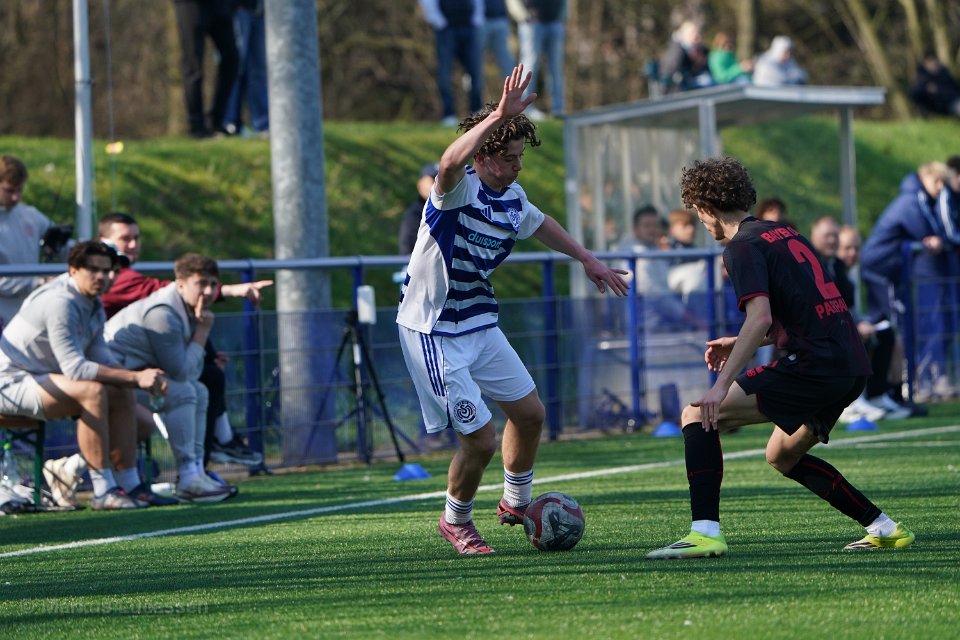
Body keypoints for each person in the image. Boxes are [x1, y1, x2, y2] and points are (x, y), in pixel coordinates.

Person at [397, 65, 629, 555]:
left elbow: (540, 222)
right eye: (508, 158)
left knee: (529, 414)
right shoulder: (457, 190)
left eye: (521, 156)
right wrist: (498, 116)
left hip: (478, 320)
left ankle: (516, 502)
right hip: (433, 331)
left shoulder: (512, 197)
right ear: (482, 156)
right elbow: (448, 161)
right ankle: (455, 521)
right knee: (480, 440)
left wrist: (587, 259)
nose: (518, 166)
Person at [646, 156, 914, 559]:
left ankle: (704, 532)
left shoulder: (741, 247)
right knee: (782, 455)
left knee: (696, 415)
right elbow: (806, 312)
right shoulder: (785, 234)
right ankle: (884, 528)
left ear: (706, 207)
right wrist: (741, 341)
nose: (700, 221)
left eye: (697, 211)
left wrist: (720, 386)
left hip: (815, 365)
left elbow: (760, 316)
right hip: (850, 364)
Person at [0, 241, 169, 510]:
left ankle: (130, 484)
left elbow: (102, 357)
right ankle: (103, 491)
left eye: (108, 270)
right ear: (73, 270)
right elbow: (76, 369)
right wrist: (137, 378)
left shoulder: (92, 302)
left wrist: (138, 377)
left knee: (141, 417)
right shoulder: (61, 302)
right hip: (10, 382)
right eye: (93, 269)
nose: (102, 276)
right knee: (93, 391)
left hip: (43, 378)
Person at [97, 212, 269, 469]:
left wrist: (204, 349)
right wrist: (209, 323)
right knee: (190, 389)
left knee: (200, 384)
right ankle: (195, 465)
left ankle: (198, 467)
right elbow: (182, 371)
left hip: (129, 368)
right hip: (110, 375)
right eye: (125, 239)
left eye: (136, 238)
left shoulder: (161, 297)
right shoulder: (139, 291)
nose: (133, 245)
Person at [105, 254, 233, 503]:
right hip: (110, 383)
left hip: (131, 379)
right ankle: (188, 477)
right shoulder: (162, 313)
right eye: (201, 283)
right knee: (184, 391)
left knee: (199, 390)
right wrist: (202, 331)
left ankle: (195, 471)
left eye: (213, 284)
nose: (208, 291)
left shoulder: (186, 307)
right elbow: (182, 371)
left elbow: (189, 371)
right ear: (181, 284)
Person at [860, 162, 952, 401]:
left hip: (883, 269)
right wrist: (938, 239)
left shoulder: (918, 199)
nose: (940, 187)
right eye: (937, 181)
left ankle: (886, 389)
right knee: (895, 325)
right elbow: (925, 231)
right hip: (881, 269)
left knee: (885, 327)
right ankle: (898, 385)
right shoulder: (911, 201)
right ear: (926, 177)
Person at [614, 206, 699, 330]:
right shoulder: (635, 254)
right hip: (644, 327)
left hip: (657, 324)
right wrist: (690, 318)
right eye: (647, 225)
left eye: (655, 225)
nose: (652, 229)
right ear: (635, 229)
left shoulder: (652, 250)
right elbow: (656, 296)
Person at [0, 155, 53, 332]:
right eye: (9, 190)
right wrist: (35, 282)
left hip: (28, 315)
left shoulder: (30, 215)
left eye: (20, 190)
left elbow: (64, 245)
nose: (16, 197)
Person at [172, 0, 240, 138]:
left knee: (232, 59)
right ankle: (197, 126)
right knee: (193, 66)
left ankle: (216, 121)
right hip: (189, 5)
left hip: (218, 4)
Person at [418, 0, 484, 127]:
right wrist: (440, 22)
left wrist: (476, 20)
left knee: (475, 71)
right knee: (445, 74)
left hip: (469, 27)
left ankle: (477, 111)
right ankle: (448, 114)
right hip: (446, 30)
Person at [222, 0, 269, 137]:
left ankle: (263, 124)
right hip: (238, 9)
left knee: (258, 71)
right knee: (235, 67)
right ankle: (230, 122)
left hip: (261, 11)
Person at [520, 0, 567, 117]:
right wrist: (523, 15)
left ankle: (558, 109)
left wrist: (563, 16)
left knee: (556, 67)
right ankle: (524, 108)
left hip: (554, 21)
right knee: (530, 65)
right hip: (531, 23)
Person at [658, 21, 713, 93]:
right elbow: (672, 69)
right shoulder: (676, 49)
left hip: (693, 80)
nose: (697, 36)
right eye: (694, 33)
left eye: (698, 33)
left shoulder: (699, 49)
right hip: (677, 87)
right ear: (685, 35)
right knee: (708, 82)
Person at [398, 163, 440, 255]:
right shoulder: (414, 215)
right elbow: (407, 252)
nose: (438, 186)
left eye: (441, 181)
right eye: (433, 180)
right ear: (420, 184)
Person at [909, 51, 960, 118]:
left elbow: (955, 87)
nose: (932, 64)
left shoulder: (944, 73)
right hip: (939, 107)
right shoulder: (922, 78)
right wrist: (926, 89)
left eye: (933, 61)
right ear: (925, 64)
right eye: (929, 62)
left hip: (953, 100)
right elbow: (914, 94)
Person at [480, 0, 515, 84]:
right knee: (474, 61)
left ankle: (514, 90)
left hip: (501, 20)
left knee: (507, 61)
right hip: (480, 23)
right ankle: (472, 92)